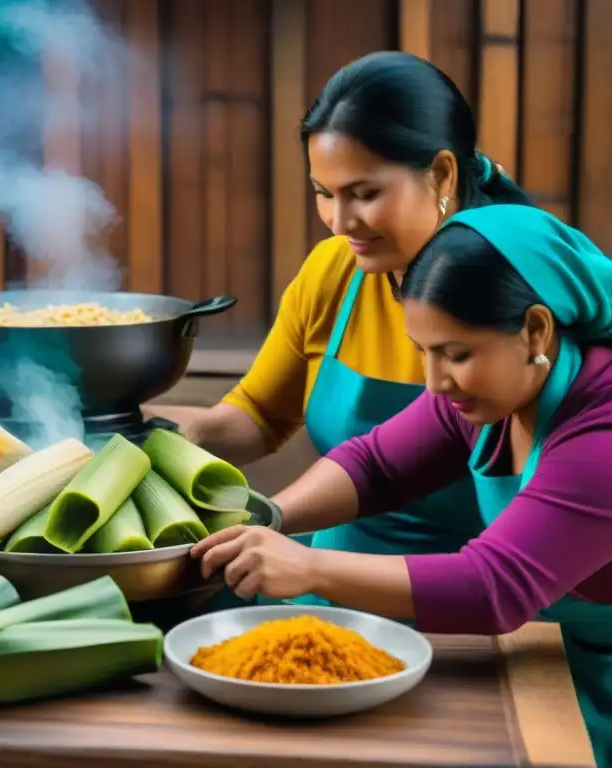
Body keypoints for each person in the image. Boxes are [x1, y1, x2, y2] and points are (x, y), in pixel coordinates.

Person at [192, 204, 612, 766]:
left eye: (456, 355)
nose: (436, 382)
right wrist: (267, 517)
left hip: (597, 695)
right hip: (538, 659)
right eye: (424, 352)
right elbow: (376, 465)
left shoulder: (602, 434)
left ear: (535, 328)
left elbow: (494, 586)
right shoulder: (498, 390)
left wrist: (309, 567)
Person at [182, 51, 533, 608]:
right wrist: (171, 440)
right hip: (324, 589)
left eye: (365, 194)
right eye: (325, 193)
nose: (342, 223)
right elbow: (281, 420)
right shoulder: (335, 271)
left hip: (481, 611)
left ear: (441, 173)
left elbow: (512, 572)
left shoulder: (518, 296)